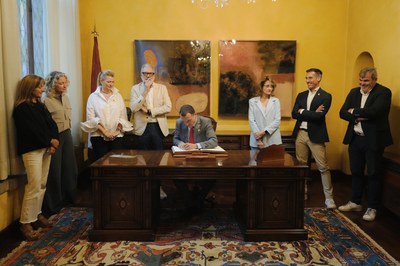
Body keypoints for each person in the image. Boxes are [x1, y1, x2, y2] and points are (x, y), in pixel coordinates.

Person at [338, 67, 392, 222]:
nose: (362, 83)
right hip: (355, 138)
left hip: (373, 140)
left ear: (374, 79)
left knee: (374, 173)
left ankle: (372, 207)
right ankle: (355, 202)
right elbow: (342, 112)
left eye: (366, 80)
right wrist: (359, 116)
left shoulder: (383, 92)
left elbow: (375, 112)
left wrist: (353, 111)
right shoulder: (354, 92)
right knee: (356, 171)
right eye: (361, 80)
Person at [13, 75, 60, 240]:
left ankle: (37, 214)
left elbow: (51, 124)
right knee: (33, 185)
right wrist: (49, 140)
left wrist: (54, 142)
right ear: (30, 88)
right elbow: (31, 131)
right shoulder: (21, 109)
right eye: (39, 87)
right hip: (32, 150)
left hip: (46, 149)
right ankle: (25, 222)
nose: (42, 89)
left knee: (42, 184)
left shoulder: (40, 106)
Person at [291, 68, 336, 209]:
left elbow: (319, 116)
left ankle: (329, 199)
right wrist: (310, 113)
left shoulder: (326, 96)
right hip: (301, 134)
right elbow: (294, 113)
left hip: (316, 135)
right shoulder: (301, 95)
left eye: (310, 78)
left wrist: (303, 111)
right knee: (301, 165)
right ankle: (302, 192)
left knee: (323, 167)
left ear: (318, 78)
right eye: (306, 78)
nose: (307, 81)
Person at [130, 63, 171, 199]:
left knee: (158, 161)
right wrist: (145, 91)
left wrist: (149, 111)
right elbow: (134, 108)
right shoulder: (135, 89)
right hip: (142, 128)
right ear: (141, 75)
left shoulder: (162, 88)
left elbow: (168, 107)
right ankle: (144, 190)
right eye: (144, 73)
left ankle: (159, 189)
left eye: (150, 73)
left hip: (157, 127)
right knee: (142, 161)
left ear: (155, 75)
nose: (147, 76)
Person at [42, 71, 77, 216]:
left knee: (70, 167)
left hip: (67, 133)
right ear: (52, 84)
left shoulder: (66, 98)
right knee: (55, 171)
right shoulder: (46, 100)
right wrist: (50, 141)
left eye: (65, 83)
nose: (64, 86)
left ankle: (70, 198)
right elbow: (44, 124)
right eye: (60, 83)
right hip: (54, 137)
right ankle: (54, 205)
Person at [173, 104, 218, 215]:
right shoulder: (179, 122)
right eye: (184, 121)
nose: (186, 124)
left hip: (203, 159)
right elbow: (175, 138)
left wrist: (196, 145)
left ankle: (196, 203)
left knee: (213, 176)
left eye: (188, 121)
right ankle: (192, 205)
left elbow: (213, 141)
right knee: (176, 176)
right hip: (185, 159)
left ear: (195, 115)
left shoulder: (205, 122)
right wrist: (181, 144)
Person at [81, 70, 133, 161]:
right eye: (108, 82)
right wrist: (105, 132)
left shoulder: (118, 96)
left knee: (116, 163)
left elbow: (123, 117)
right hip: (98, 136)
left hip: (116, 136)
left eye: (113, 82)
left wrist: (116, 132)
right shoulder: (93, 97)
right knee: (101, 163)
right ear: (101, 81)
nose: (111, 84)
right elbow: (91, 119)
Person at [248, 76, 282, 150]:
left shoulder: (276, 101)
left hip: (272, 140)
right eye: (267, 86)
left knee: (273, 161)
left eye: (271, 86)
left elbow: (277, 120)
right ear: (261, 87)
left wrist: (263, 132)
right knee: (255, 161)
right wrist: (258, 138)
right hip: (256, 140)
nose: (270, 88)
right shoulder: (252, 101)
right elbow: (251, 120)